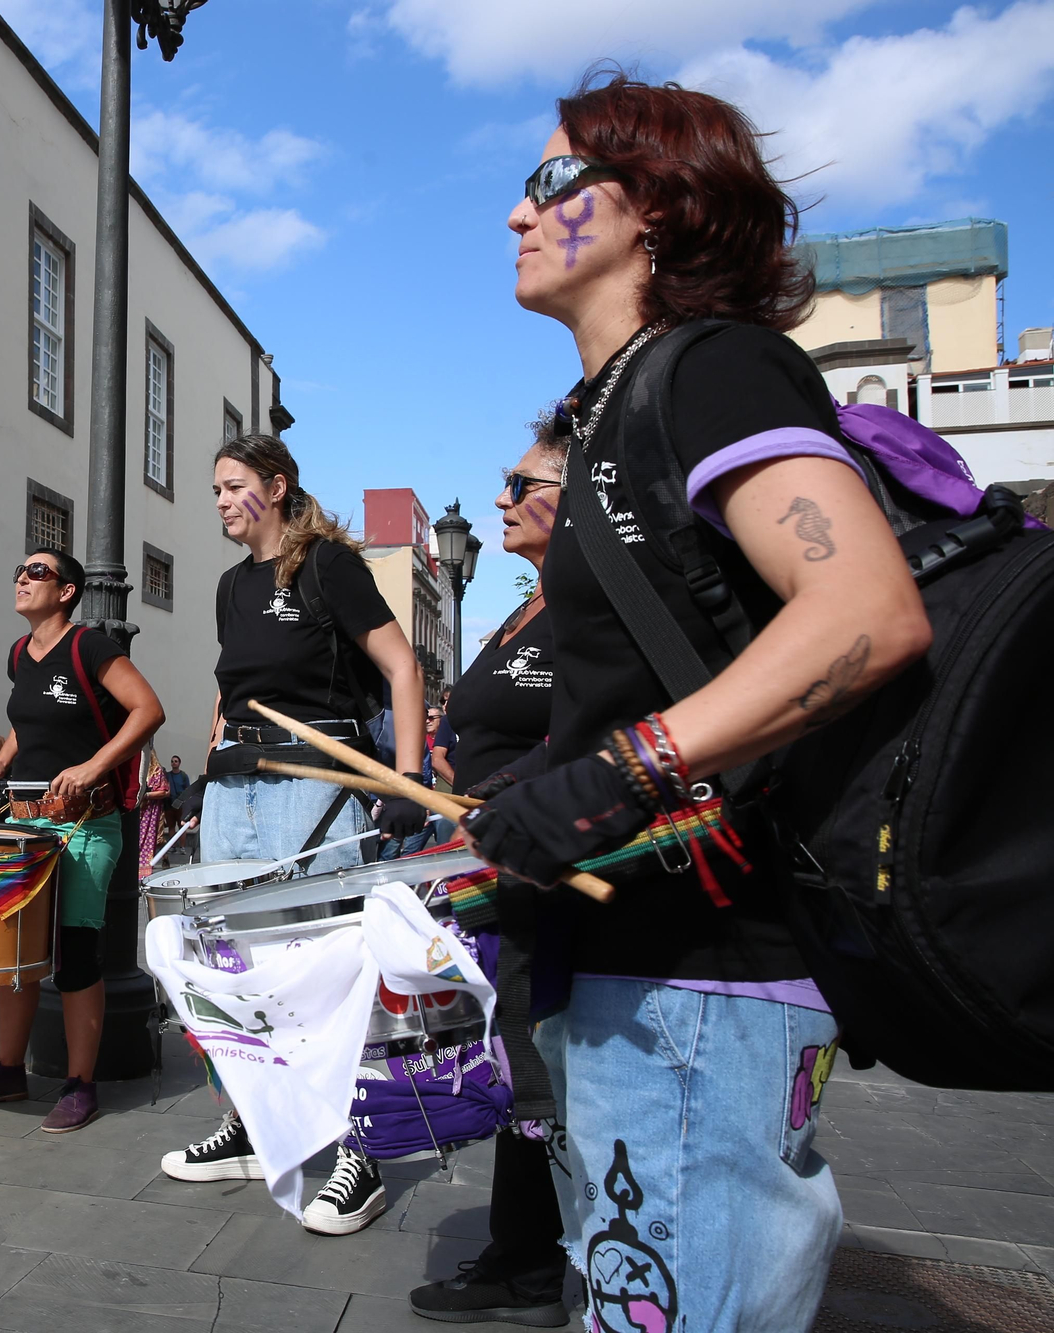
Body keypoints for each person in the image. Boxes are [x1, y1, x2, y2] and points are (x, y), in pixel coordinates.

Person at [456, 73, 934, 1332]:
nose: (514, 213)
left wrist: (622, 773)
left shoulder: (711, 370)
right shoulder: (607, 407)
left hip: (704, 988)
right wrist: (534, 790)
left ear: (653, 207)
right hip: (632, 980)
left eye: (549, 181)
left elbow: (865, 614)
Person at [161, 433, 431, 1236]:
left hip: (312, 788)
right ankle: (253, 1126)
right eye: (214, 486)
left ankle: (364, 1152)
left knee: (332, 975)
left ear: (276, 488)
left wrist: (409, 781)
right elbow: (227, 685)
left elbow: (403, 666)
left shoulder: (325, 567)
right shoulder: (228, 585)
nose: (219, 499)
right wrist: (210, 767)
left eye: (233, 484)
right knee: (238, 972)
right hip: (234, 792)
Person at [405, 417, 570, 1325]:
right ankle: (521, 1248)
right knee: (510, 1041)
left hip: (547, 861)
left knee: (532, 1052)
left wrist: (504, 790)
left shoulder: (591, 611)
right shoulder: (526, 606)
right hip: (493, 858)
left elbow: (587, 732)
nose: (503, 498)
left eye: (523, 484)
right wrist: (433, 776)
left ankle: (533, 1263)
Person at [0, 550, 164, 1132]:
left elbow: (147, 710)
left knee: (76, 956)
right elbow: (28, 719)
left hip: (84, 824)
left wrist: (96, 765)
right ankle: (9, 1070)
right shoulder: (21, 654)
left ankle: (79, 1083)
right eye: (17, 570)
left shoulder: (89, 646)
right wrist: (1, 763)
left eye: (37, 571)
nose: (22, 578)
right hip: (24, 822)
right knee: (14, 953)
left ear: (68, 590)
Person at [136, 750, 172, 878]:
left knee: (153, 840)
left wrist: (146, 795)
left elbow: (165, 791)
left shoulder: (156, 771)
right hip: (136, 812)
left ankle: (144, 873)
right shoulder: (136, 770)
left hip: (150, 813)